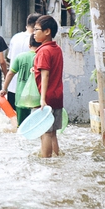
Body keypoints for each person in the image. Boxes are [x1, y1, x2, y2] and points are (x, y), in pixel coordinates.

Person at [33, 15, 64, 157]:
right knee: (53, 133)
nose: (34, 33)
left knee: (44, 132)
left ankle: (46, 163)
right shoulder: (56, 49)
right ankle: (56, 159)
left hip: (46, 97)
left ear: (47, 32)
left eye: (36, 29)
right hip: (57, 95)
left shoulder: (44, 51)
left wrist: (42, 99)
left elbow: (45, 75)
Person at [0, 34, 40, 126]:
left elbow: (10, 73)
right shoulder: (41, 57)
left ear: (29, 45)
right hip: (37, 96)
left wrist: (4, 88)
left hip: (21, 96)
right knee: (36, 125)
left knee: (21, 125)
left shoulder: (20, 57)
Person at [6, 13, 41, 109]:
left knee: (14, 119)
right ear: (36, 25)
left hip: (12, 86)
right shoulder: (37, 40)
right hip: (30, 90)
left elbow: (10, 59)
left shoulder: (15, 37)